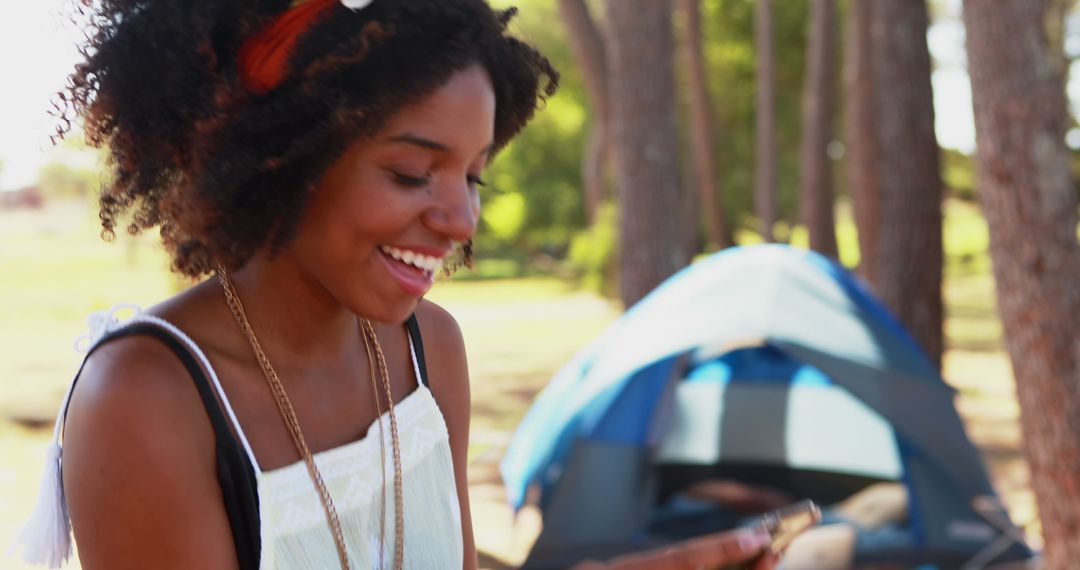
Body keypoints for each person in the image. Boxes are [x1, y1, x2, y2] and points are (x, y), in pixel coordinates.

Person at [15, 0, 780, 568]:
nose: (459, 219)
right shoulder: (148, 399)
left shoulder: (426, 352)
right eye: (413, 172)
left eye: (474, 175)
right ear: (286, 156)